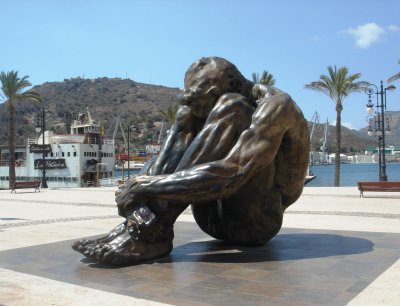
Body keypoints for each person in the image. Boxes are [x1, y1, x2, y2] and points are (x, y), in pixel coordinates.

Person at [72, 57, 310, 265]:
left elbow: (234, 173)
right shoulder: (207, 107)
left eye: (207, 98)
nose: (203, 109)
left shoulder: (276, 107)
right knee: (187, 112)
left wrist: (143, 187)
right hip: (209, 217)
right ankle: (145, 228)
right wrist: (141, 193)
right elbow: (163, 160)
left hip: (254, 224)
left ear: (236, 85)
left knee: (233, 107)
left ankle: (149, 233)